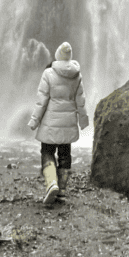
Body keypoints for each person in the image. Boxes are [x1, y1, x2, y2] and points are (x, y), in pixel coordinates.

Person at [28, 41, 89, 205]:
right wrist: (84, 120)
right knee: (65, 154)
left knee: (47, 151)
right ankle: (61, 190)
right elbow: (80, 101)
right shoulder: (76, 75)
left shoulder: (48, 73)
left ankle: (51, 183)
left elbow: (41, 101)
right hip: (68, 122)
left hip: (50, 122)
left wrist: (34, 121)